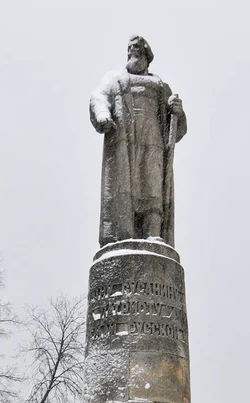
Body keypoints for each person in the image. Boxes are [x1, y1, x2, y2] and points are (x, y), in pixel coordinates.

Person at [90, 36, 187, 247]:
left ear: (146, 55)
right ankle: (124, 234)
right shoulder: (114, 79)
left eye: (136, 48)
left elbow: (176, 125)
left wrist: (177, 112)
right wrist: (102, 113)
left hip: (153, 142)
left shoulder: (160, 85)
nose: (131, 51)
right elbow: (98, 97)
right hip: (125, 141)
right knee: (125, 187)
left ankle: (153, 232)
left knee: (152, 186)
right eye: (129, 48)